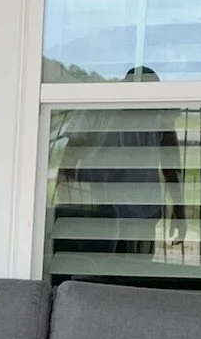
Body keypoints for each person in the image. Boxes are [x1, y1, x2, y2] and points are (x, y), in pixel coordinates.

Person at [54, 66, 184, 260]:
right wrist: (70, 205)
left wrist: (179, 208)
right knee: (98, 269)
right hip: (99, 206)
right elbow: (69, 160)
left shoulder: (159, 113)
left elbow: (170, 161)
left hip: (142, 210)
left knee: (134, 275)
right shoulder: (98, 109)